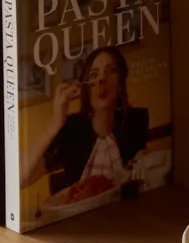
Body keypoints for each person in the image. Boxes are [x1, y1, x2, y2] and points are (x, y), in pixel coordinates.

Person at [18, 43, 151, 205]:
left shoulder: (135, 119)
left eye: (111, 71)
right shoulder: (72, 130)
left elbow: (141, 168)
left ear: (121, 84)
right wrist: (54, 123)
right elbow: (20, 179)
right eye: (94, 75)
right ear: (85, 89)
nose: (102, 79)